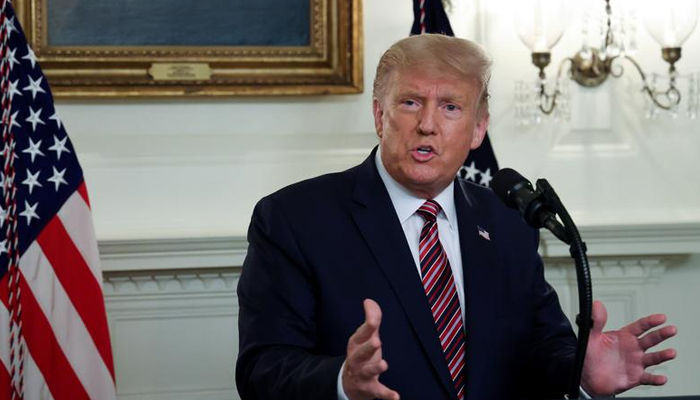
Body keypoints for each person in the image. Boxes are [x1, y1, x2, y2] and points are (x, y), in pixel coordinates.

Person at [235, 34, 677, 400]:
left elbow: (542, 347)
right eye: (410, 103)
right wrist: (340, 382)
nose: (428, 124)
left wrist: (578, 372)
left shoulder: (506, 219)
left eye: (450, 107)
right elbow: (262, 369)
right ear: (379, 115)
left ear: (478, 128)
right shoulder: (294, 219)